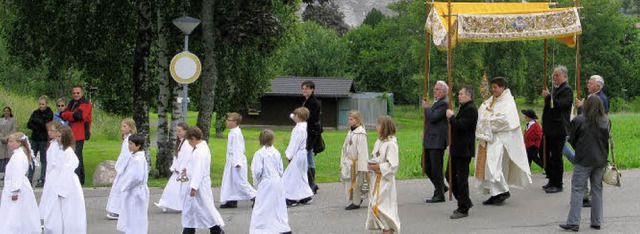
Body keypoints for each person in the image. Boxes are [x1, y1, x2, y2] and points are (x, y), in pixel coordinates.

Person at [475, 77, 531, 205]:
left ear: (503, 87)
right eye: (492, 87)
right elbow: (482, 111)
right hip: (488, 138)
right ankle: (496, 193)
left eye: (495, 87)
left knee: (492, 165)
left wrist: (487, 121)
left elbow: (506, 120)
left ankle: (503, 191)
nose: (493, 90)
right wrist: (485, 119)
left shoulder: (508, 101)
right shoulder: (492, 100)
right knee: (487, 166)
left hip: (500, 138)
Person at [559, 96, 610, 232]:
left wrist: (579, 147)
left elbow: (572, 138)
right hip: (600, 159)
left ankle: (574, 222)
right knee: (597, 190)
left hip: (583, 159)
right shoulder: (606, 121)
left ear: (586, 105)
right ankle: (596, 221)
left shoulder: (579, 120)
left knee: (577, 190)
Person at [572, 75, 609, 207]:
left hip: (591, 144)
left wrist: (581, 108)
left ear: (598, 86)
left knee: (587, 174)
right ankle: (585, 195)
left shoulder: (601, 99)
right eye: (588, 83)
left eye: (590, 83)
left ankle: (585, 196)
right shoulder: (594, 97)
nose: (588, 85)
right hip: (592, 145)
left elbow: (594, 121)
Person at [41, 126, 87, 233]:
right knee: (57, 211)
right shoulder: (61, 149)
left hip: (68, 185)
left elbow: (67, 171)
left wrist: (61, 190)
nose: (57, 139)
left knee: (70, 211)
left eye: (59, 137)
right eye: (56, 136)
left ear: (66, 137)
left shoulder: (69, 152)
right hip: (60, 182)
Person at [182, 127, 225, 234]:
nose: (189, 143)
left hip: (199, 185)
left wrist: (194, 187)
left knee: (204, 208)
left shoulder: (201, 151)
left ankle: (216, 229)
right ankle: (189, 229)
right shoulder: (199, 149)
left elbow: (199, 170)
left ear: (193, 138)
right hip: (197, 183)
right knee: (192, 210)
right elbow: (194, 166)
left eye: (189, 141)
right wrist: (188, 169)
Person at [444, 86, 478, 219]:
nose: (459, 96)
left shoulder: (471, 109)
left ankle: (463, 208)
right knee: (449, 175)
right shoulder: (465, 108)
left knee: (461, 179)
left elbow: (461, 126)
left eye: (461, 94)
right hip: (456, 149)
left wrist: (451, 117)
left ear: (469, 95)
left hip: (463, 150)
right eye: (459, 94)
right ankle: (465, 201)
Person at [250, 129, 292, 234]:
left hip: (266, 181)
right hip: (277, 180)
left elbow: (257, 170)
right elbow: (280, 169)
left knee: (262, 205)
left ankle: (261, 228)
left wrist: (257, 183)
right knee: (277, 205)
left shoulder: (259, 154)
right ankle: (281, 226)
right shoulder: (276, 152)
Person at [541, 65, 574, 194]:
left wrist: (549, 97)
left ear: (564, 77)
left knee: (556, 157)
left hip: (559, 129)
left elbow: (560, 105)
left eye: (557, 75)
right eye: (553, 75)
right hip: (550, 129)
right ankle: (551, 179)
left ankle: (558, 183)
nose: (554, 77)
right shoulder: (556, 89)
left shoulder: (567, 90)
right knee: (547, 156)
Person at [0, 132, 41, 234]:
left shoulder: (18, 156)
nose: (9, 143)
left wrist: (15, 191)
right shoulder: (17, 154)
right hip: (15, 186)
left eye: (11, 141)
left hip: (16, 187)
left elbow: (17, 174)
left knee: (14, 212)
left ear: (19, 143)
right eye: (8, 141)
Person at [366, 116, 400, 234]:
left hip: (385, 182)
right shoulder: (379, 141)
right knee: (374, 205)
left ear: (384, 127)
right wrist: (371, 163)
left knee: (382, 207)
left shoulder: (391, 144)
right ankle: (385, 229)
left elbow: (393, 166)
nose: (376, 126)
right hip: (376, 180)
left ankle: (388, 229)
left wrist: (377, 167)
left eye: (378, 124)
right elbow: (376, 156)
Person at [220, 113, 256, 209]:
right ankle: (231, 199)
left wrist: (237, 162)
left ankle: (255, 196)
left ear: (235, 122)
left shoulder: (236, 133)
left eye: (229, 120)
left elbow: (237, 148)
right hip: (232, 159)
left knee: (240, 181)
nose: (227, 122)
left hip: (236, 159)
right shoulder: (232, 132)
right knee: (230, 180)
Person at [422, 80, 449, 203]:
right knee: (425, 166)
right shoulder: (436, 103)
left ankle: (439, 194)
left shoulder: (444, 104)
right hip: (430, 139)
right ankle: (441, 187)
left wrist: (427, 108)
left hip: (437, 141)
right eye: (434, 89)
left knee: (436, 168)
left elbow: (433, 118)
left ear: (444, 92)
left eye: (437, 89)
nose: (434, 91)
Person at [155, 122, 193, 212]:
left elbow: (186, 158)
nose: (178, 133)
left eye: (180, 131)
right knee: (172, 188)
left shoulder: (187, 143)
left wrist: (180, 168)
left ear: (186, 131)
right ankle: (166, 203)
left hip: (182, 170)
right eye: (177, 131)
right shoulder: (181, 142)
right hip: (179, 169)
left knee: (178, 189)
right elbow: (178, 157)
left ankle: (172, 204)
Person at [116, 134, 149, 234]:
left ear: (138, 146)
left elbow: (136, 177)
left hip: (136, 192)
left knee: (135, 217)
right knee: (130, 216)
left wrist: (124, 187)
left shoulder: (138, 159)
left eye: (131, 144)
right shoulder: (134, 157)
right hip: (133, 191)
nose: (129, 146)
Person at [61, 85, 93, 185]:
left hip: (80, 134)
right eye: (74, 93)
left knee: (76, 157)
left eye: (77, 93)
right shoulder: (71, 103)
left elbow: (79, 116)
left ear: (82, 93)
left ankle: (78, 180)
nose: (75, 94)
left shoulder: (86, 103)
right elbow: (62, 115)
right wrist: (72, 115)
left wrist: (69, 114)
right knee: (74, 156)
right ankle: (78, 180)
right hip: (71, 133)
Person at [106, 118, 137, 220]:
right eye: (121, 126)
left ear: (131, 128)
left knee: (121, 188)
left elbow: (126, 155)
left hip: (126, 169)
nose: (122, 128)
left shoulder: (130, 140)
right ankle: (118, 209)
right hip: (123, 168)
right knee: (119, 188)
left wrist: (120, 167)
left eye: (124, 126)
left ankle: (119, 211)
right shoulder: (126, 139)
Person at [283, 107, 314, 206]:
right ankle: (305, 196)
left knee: (292, 176)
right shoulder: (302, 126)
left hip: (297, 155)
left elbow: (294, 143)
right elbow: (292, 116)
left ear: (300, 117)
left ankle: (292, 198)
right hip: (302, 155)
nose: (294, 117)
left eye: (296, 115)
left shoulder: (298, 130)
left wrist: (289, 155)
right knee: (301, 175)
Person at [340, 110, 369, 210]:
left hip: (356, 162)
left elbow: (362, 151)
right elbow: (345, 147)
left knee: (357, 183)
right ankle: (354, 199)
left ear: (357, 120)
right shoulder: (351, 132)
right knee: (349, 181)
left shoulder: (361, 133)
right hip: (349, 162)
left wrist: (362, 167)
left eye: (351, 119)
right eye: (348, 119)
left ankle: (356, 202)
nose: (349, 121)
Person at [27, 95, 54, 187]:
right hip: (35, 138)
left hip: (43, 139)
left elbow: (46, 125)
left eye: (43, 104)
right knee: (31, 158)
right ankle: (29, 178)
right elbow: (29, 124)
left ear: (46, 104)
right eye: (40, 104)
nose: (41, 106)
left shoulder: (49, 113)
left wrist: (37, 122)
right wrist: (38, 124)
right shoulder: (35, 112)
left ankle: (42, 178)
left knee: (43, 159)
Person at [301, 80, 322, 194]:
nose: (304, 90)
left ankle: (311, 183)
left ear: (312, 89)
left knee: (307, 156)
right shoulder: (306, 101)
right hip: (308, 132)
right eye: (303, 88)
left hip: (312, 133)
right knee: (309, 157)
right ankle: (311, 183)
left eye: (307, 88)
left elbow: (312, 118)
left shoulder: (313, 102)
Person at [0, 106, 18, 176]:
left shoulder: (13, 120)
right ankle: (1, 173)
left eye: (7, 111)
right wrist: (2, 138)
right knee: (1, 157)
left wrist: (7, 138)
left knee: (8, 156)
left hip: (9, 140)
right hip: (1, 142)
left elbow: (14, 130)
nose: (6, 112)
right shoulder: (0, 120)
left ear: (10, 112)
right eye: (5, 111)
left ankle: (8, 173)